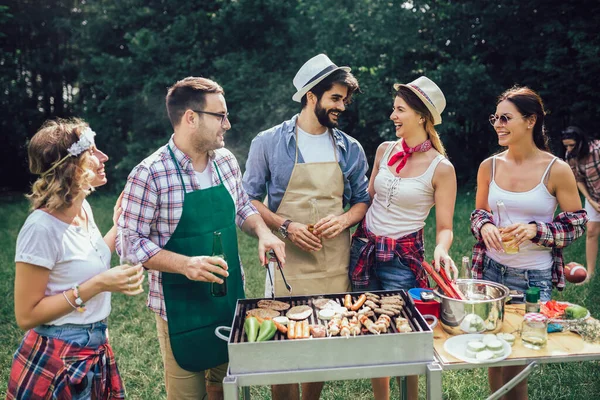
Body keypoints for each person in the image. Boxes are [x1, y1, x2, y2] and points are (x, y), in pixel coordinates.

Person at [118, 77, 284, 400]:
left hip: (228, 301)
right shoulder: (149, 173)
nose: (228, 124)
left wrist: (263, 232)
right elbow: (128, 243)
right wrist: (185, 264)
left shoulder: (225, 162)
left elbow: (243, 208)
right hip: (180, 309)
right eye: (220, 116)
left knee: (227, 389)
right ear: (191, 118)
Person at [242, 54, 370, 400]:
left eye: (344, 99)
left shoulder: (350, 148)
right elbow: (247, 201)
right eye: (335, 98)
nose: (342, 106)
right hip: (287, 264)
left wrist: (343, 219)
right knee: (282, 348)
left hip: (334, 262)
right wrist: (285, 224)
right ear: (311, 96)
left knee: (320, 342)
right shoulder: (268, 142)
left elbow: (361, 201)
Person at [7, 118, 145, 400]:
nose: (103, 157)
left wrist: (120, 223)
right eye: (92, 152)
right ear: (71, 166)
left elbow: (92, 258)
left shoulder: (83, 210)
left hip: (93, 346)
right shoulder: (40, 229)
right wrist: (98, 284)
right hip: (59, 356)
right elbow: (26, 315)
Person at [471, 87, 587, 400]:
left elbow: (577, 222)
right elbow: (478, 213)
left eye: (506, 118)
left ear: (530, 120)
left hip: (532, 280)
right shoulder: (489, 166)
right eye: (496, 118)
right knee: (492, 355)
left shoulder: (556, 169)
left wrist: (536, 230)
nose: (498, 124)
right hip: (489, 274)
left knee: (518, 364)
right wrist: (484, 227)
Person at [348, 76, 457, 400]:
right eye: (394, 109)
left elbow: (445, 226)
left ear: (422, 115)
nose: (393, 116)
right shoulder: (385, 150)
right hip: (364, 250)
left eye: (400, 110)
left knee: (406, 337)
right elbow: (367, 200)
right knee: (371, 332)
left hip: (402, 261)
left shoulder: (441, 168)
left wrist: (442, 248)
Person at [562, 126, 599, 281]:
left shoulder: (597, 149)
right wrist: (591, 201)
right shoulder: (570, 156)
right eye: (566, 146)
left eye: (572, 145)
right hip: (592, 196)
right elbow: (578, 179)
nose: (569, 149)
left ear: (581, 142)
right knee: (591, 231)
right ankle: (590, 273)